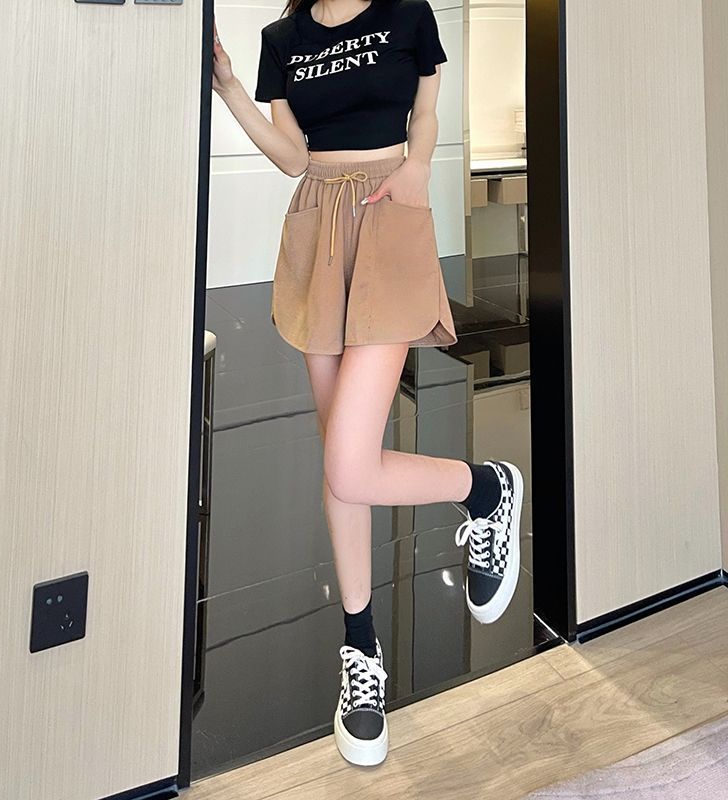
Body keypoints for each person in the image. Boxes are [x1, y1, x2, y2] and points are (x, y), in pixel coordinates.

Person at [212, 0, 523, 767]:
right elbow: (292, 155)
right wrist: (229, 88)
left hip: (389, 213)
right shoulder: (283, 39)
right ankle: (361, 651)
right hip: (317, 225)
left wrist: (417, 168)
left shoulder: (407, 14)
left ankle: (485, 488)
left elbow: (428, 106)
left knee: (350, 465)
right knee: (340, 465)